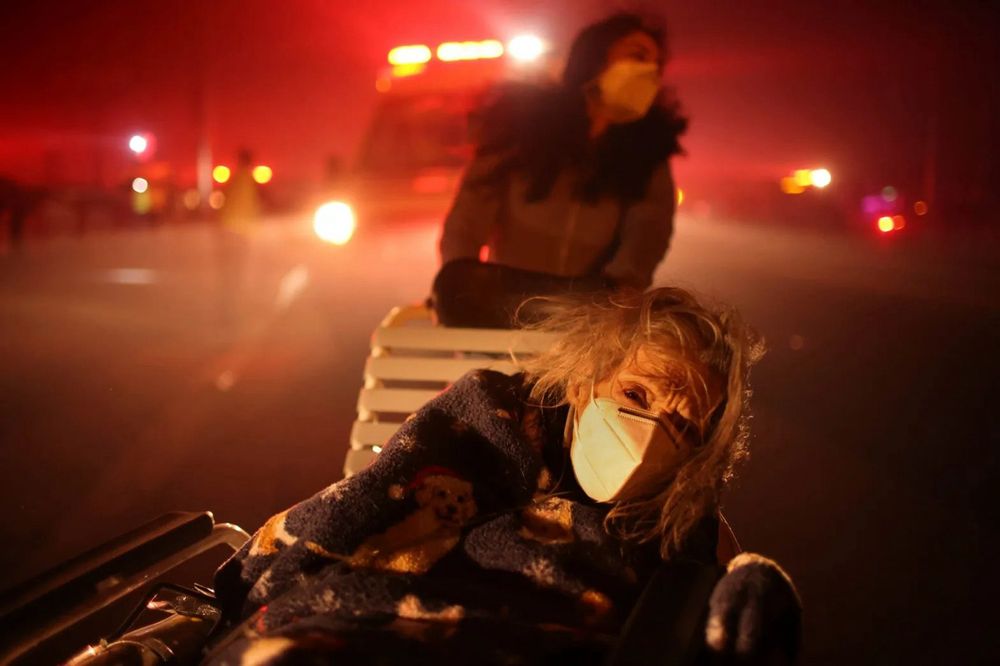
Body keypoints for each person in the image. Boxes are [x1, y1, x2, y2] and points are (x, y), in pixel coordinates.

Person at [207, 287, 801, 665]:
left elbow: (719, 584)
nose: (651, 433)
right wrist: (257, 589)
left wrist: (749, 582)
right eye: (637, 394)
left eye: (684, 426)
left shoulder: (680, 515)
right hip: (382, 624)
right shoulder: (493, 419)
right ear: (584, 382)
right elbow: (365, 505)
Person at [438, 12, 687, 293]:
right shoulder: (521, 127)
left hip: (590, 307)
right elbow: (468, 219)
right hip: (507, 299)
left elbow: (648, 230)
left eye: (656, 66)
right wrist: (459, 280)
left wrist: (622, 288)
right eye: (638, 56)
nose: (648, 72)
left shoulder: (648, 154)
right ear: (594, 57)